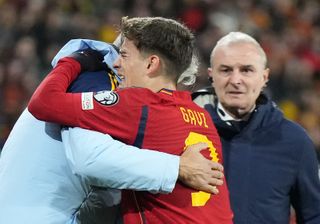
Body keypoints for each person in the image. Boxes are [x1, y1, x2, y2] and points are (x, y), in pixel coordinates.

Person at [28, 16, 233, 223]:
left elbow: (43, 103)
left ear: (151, 64)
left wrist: (74, 60)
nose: (116, 63)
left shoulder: (138, 104)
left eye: (124, 55)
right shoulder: (202, 116)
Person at [193, 31, 320, 224]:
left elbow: (313, 215)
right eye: (226, 70)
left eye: (246, 70)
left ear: (264, 77)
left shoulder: (294, 141)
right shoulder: (184, 129)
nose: (235, 80)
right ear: (211, 76)